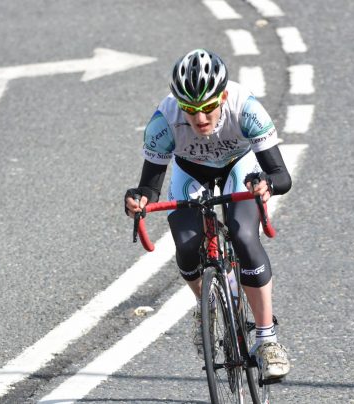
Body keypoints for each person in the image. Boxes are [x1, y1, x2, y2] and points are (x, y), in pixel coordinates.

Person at [124, 49, 291, 380]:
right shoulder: (163, 121)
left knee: (244, 235)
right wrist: (137, 200)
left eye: (207, 108)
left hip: (241, 167)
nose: (200, 119)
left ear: (223, 96)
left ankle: (267, 339)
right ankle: (208, 307)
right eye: (190, 110)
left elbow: (282, 176)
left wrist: (265, 185)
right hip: (191, 173)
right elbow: (150, 188)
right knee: (187, 245)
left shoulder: (246, 108)